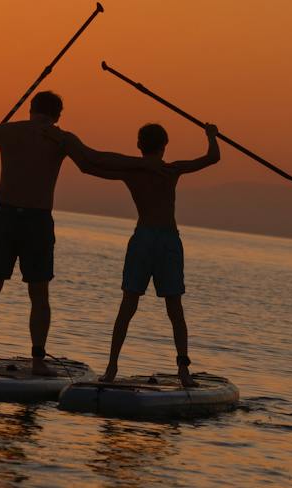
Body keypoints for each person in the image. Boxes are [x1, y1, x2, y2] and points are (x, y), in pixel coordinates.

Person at [52, 121, 220, 386]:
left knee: (128, 307)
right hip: (166, 241)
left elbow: (89, 166)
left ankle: (111, 368)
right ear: (164, 147)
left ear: (139, 145)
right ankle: (183, 371)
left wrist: (67, 148)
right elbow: (213, 157)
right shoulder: (170, 170)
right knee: (174, 309)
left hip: (144, 240)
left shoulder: (132, 171)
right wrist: (211, 135)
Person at [0, 90, 75, 376]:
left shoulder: (8, 131)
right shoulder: (61, 139)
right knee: (39, 294)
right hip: (37, 221)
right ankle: (37, 361)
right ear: (57, 115)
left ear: (31, 109)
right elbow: (91, 162)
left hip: (5, 218)